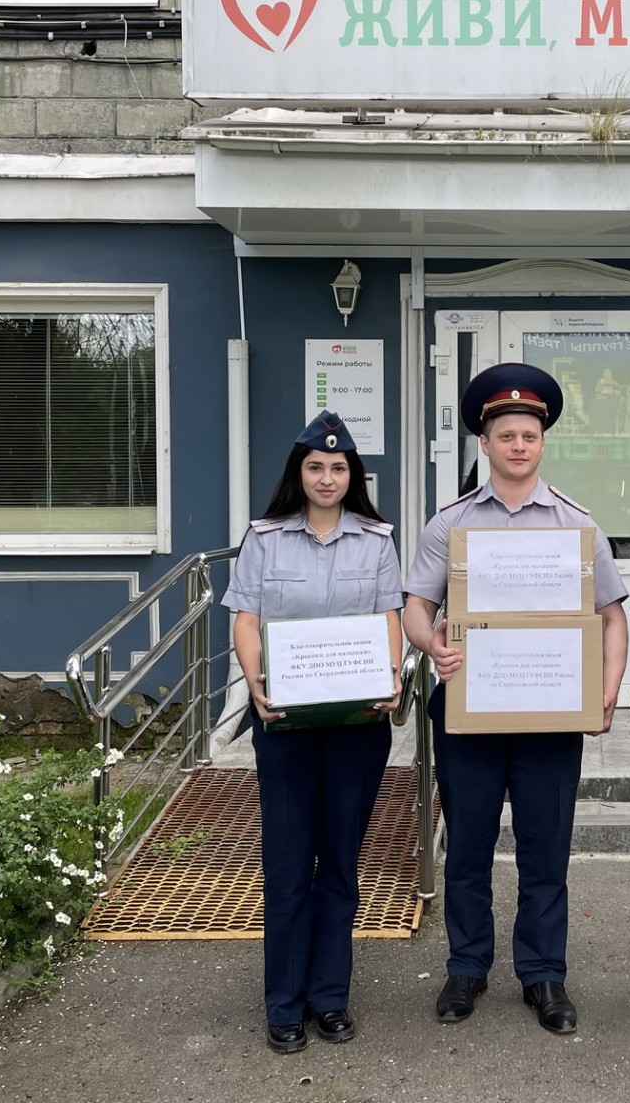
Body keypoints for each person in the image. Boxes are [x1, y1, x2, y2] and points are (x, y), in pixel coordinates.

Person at [402, 363, 629, 1036]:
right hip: (469, 709)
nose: (519, 446)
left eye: (529, 435)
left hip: (550, 713)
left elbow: (612, 616)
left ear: (543, 441)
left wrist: (607, 689)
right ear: (485, 443)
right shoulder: (450, 524)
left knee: (545, 850)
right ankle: (466, 966)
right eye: (506, 435)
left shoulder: (577, 525)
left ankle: (543, 974)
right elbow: (415, 608)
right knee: (468, 848)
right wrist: (432, 645)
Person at [222, 411, 404, 1055]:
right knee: (288, 863)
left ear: (353, 475)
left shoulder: (377, 541)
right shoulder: (265, 538)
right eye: (316, 467)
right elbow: (247, 619)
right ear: (297, 473)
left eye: (338, 467)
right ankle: (283, 1004)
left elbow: (389, 616)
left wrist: (391, 675)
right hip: (286, 721)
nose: (327, 477)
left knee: (342, 864)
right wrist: (257, 684)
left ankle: (330, 998)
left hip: (356, 724)